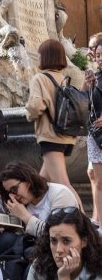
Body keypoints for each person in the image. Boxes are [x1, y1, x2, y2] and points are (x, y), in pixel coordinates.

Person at [25, 38, 83, 210]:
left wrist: (29, 114)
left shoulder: (40, 79)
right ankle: (28, 216)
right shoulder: (64, 79)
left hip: (51, 137)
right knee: (40, 183)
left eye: (40, 54)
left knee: (63, 183)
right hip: (66, 137)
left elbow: (36, 106)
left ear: (45, 56)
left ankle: (83, 224)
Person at [0, 161, 78, 258]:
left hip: (57, 252)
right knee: (4, 240)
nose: (12, 196)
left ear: (28, 182)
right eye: (8, 193)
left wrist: (25, 217)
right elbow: (20, 234)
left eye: (14, 189)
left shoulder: (60, 194)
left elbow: (58, 236)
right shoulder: (21, 203)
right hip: (30, 248)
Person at [28, 207, 102, 280]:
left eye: (66, 241)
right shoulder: (40, 266)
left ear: (84, 241)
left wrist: (64, 276)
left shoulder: (98, 270)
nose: (59, 250)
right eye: (53, 241)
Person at [82, 39, 102, 235]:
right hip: (94, 134)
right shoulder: (96, 76)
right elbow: (84, 100)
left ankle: (99, 222)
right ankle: (96, 217)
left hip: (100, 135)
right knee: (92, 175)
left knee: (99, 179)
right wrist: (86, 84)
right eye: (97, 55)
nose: (99, 59)